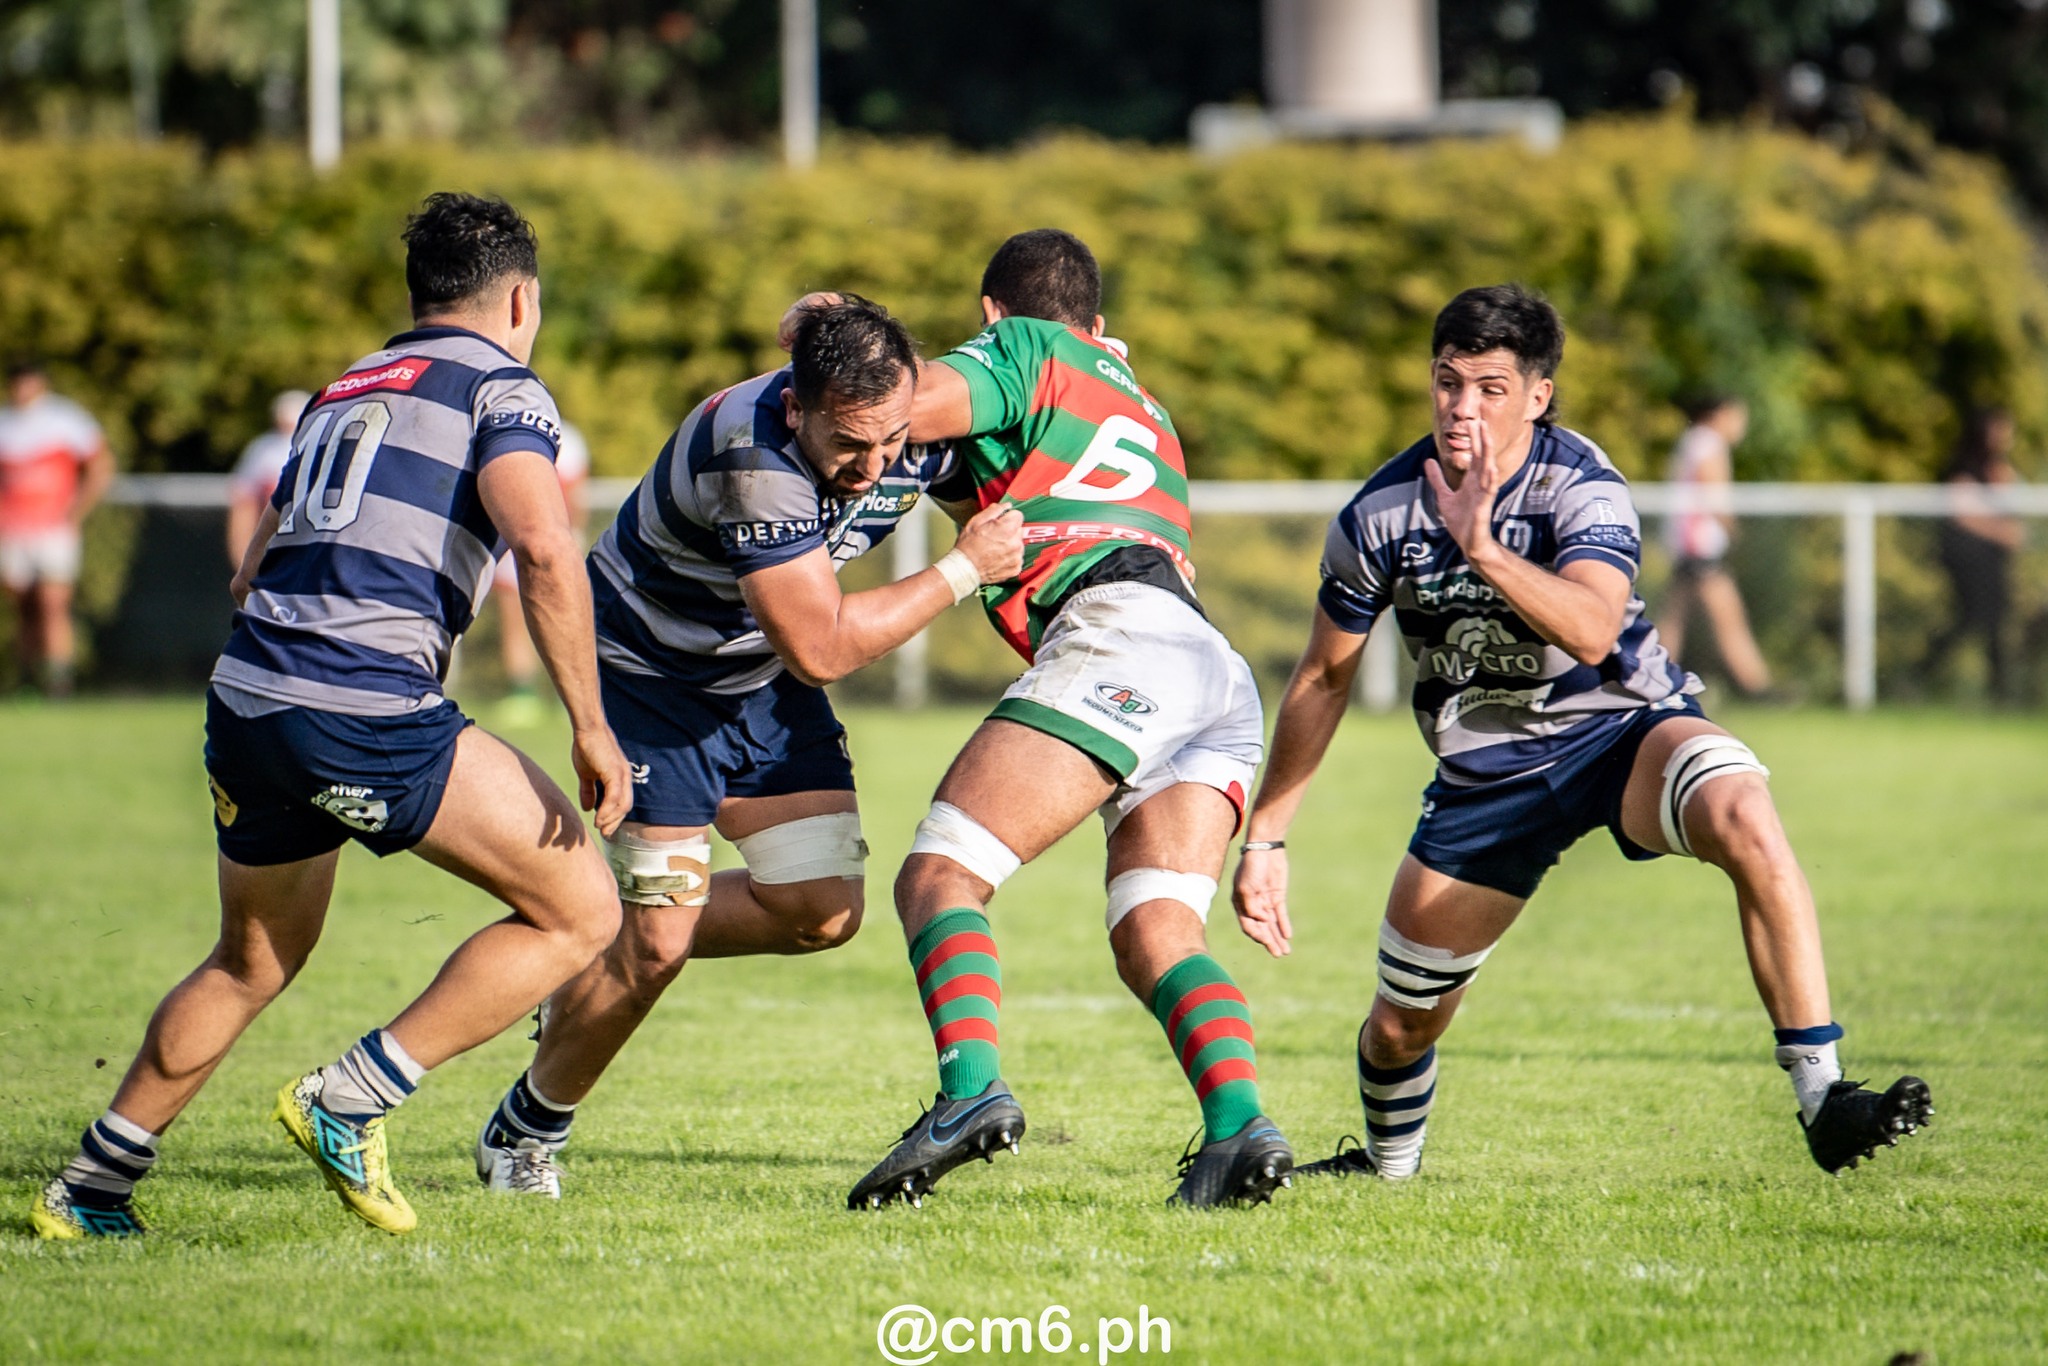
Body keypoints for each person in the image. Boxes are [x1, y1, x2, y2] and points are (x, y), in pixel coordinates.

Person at [30, 192, 632, 1240]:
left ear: (418, 293)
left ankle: (90, 1187)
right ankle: (349, 1097)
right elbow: (541, 547)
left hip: (248, 695)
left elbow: (249, 574)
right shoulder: (504, 387)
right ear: (521, 298)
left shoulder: (344, 385)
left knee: (248, 959)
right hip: (360, 699)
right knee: (581, 908)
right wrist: (589, 721)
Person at [1231, 284, 1931, 1184]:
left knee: (1744, 810)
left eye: (1489, 388)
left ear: (1538, 395)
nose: (1461, 408)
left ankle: (1825, 1097)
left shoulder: (1581, 481)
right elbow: (1323, 677)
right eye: (1447, 382)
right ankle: (1388, 1170)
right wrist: (1269, 835)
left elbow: (1596, 630)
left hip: (1622, 732)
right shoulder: (1380, 515)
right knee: (1404, 1022)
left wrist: (1481, 546)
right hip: (1486, 777)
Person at [470, 296, 1024, 1198]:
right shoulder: (752, 457)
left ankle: (591, 941)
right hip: (650, 683)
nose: (875, 465)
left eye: (891, 441)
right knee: (656, 947)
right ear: (798, 407)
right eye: (851, 446)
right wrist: (962, 568)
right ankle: (525, 1133)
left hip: (760, 681)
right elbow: (824, 646)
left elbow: (1034, 408)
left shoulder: (901, 412)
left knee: (820, 910)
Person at [828, 229, 1294, 1211]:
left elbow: (893, 403)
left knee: (940, 874)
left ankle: (967, 1095)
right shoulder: (1143, 406)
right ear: (1101, 325)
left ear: (994, 315)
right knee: (1155, 929)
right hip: (1208, 669)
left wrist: (834, 349)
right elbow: (985, 469)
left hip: (1118, 637)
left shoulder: (1024, 348)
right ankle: (1237, 1122)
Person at [0, 360, 116, 696]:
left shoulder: (65, 419)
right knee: (23, 608)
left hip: (53, 531)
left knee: (53, 604)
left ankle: (58, 684)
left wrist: (76, 511)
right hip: (13, 532)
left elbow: (100, 465)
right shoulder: (5, 422)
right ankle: (26, 679)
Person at [1657, 394, 1775, 699]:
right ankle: (1757, 687)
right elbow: (1713, 494)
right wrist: (1734, 533)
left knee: (1674, 619)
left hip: (1687, 544)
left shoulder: (1692, 440)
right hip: (1699, 546)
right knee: (1729, 618)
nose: (1741, 426)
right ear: (1720, 415)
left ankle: (1651, 678)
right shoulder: (1708, 443)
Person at [1917, 407, 2023, 702]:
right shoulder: (1965, 467)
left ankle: (2001, 693)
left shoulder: (1999, 469)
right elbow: (1964, 514)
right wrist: (2003, 532)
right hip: (1968, 557)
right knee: (1973, 620)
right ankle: (1919, 675)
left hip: (1992, 559)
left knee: (1993, 623)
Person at [488, 418, 589, 724]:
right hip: (513, 535)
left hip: (557, 536)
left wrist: (570, 538)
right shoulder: (502, 426)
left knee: (570, 618)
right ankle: (523, 692)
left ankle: (575, 697)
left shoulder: (567, 438)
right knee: (515, 617)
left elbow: (576, 495)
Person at [225, 389, 313, 567]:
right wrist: (243, 555)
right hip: (271, 541)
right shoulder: (263, 449)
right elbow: (243, 503)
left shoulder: (316, 448)